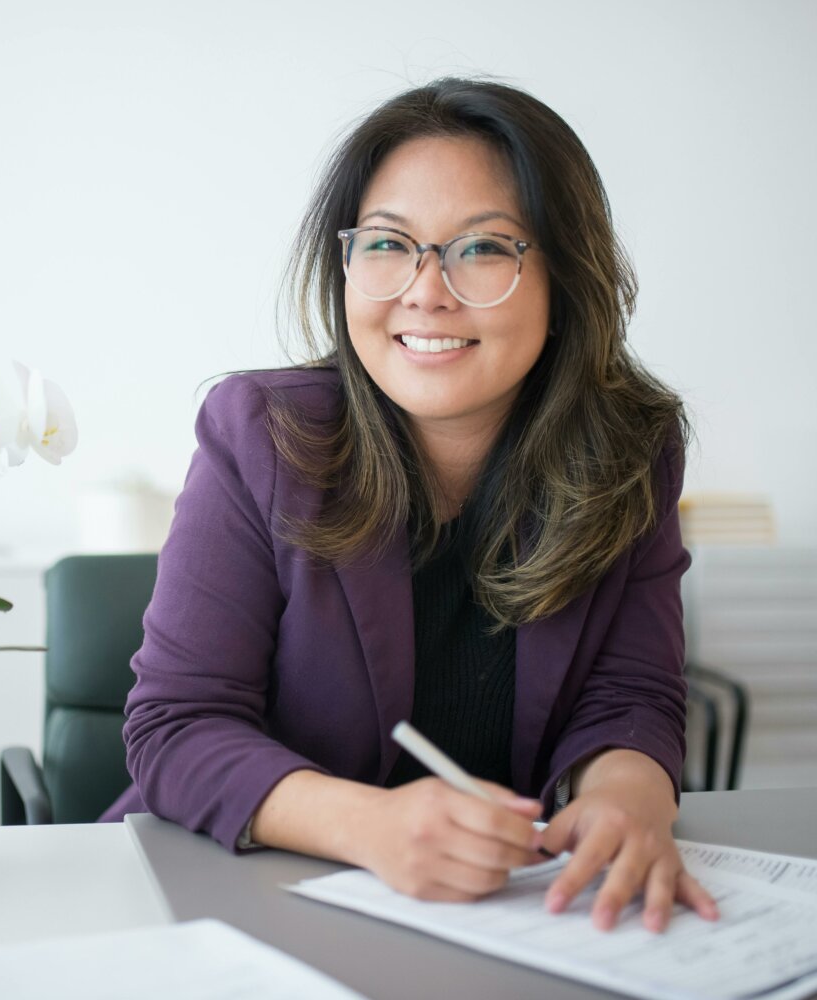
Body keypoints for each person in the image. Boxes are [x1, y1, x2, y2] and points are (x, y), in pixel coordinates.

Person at [102, 77, 719, 934]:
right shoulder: (262, 435)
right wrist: (371, 826)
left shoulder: (628, 451)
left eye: (482, 249)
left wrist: (626, 797)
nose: (426, 292)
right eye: (389, 244)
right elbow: (176, 727)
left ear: (566, 278)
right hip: (236, 907)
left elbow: (632, 699)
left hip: (507, 924)